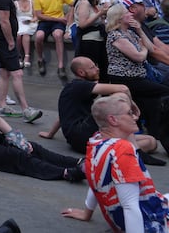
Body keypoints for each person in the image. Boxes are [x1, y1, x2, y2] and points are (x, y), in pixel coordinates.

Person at [62, 93, 169, 231]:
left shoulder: (96, 142)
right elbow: (130, 206)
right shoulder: (122, 151)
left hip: (136, 213)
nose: (135, 117)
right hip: (152, 221)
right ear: (113, 120)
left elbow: (95, 178)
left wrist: (86, 213)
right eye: (129, 113)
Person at [37, 57, 165, 164]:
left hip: (83, 137)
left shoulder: (78, 89)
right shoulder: (79, 86)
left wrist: (50, 134)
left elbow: (63, 114)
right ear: (81, 73)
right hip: (82, 134)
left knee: (151, 142)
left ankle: (117, 152)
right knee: (119, 97)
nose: (97, 69)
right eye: (92, 67)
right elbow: (123, 88)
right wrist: (132, 109)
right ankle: (135, 151)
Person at [105, 1, 169, 153]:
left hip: (139, 77)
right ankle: (163, 134)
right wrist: (142, 48)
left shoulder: (131, 32)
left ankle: (155, 134)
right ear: (120, 18)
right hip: (125, 79)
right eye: (127, 13)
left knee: (152, 103)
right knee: (165, 92)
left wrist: (140, 31)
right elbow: (139, 56)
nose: (130, 14)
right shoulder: (115, 36)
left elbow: (150, 47)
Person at [33, 0, 75, 78]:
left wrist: (68, 17)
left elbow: (74, 4)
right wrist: (59, 19)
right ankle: (40, 59)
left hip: (58, 23)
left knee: (57, 35)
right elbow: (39, 15)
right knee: (38, 37)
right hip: (45, 22)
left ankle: (61, 66)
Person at [73, 0, 110, 80]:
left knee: (104, 68)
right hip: (89, 41)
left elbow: (98, 20)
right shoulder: (84, 3)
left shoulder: (96, 3)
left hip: (100, 39)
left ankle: (104, 91)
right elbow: (82, 24)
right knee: (90, 70)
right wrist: (100, 13)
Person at [13, 0, 36, 69]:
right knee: (18, 35)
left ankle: (27, 56)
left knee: (25, 33)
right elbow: (13, 16)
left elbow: (36, 16)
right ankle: (18, 56)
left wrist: (31, 21)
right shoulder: (15, 3)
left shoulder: (32, 2)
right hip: (19, 21)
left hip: (30, 21)